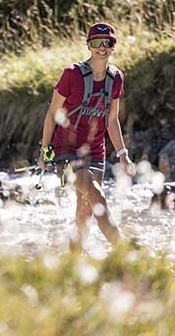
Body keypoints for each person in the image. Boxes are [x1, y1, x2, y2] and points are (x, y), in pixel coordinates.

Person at [37, 22, 135, 253]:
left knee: (84, 213)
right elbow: (52, 114)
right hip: (67, 151)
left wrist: (123, 155)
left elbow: (112, 120)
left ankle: (72, 265)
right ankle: (126, 254)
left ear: (113, 46)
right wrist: (45, 151)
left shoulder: (116, 78)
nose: (102, 47)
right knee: (97, 196)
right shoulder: (71, 75)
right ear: (89, 45)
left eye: (108, 43)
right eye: (97, 43)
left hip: (96, 153)